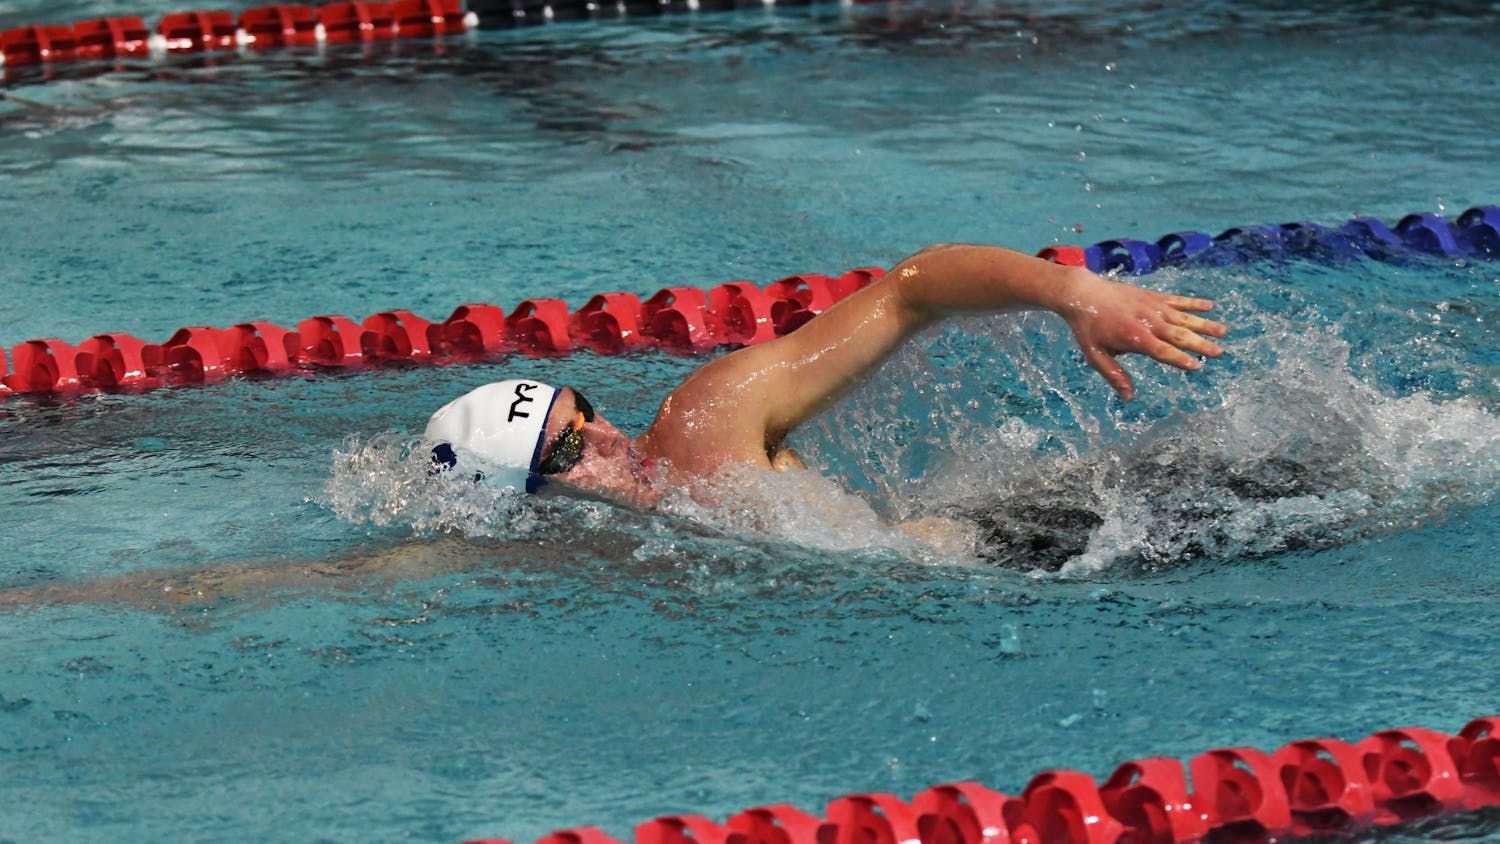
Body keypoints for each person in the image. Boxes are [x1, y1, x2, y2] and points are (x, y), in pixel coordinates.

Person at [426, 243, 1227, 511]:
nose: (609, 435)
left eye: (589, 412)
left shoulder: (708, 423)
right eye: (570, 449)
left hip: (1037, 541)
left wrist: (1076, 295)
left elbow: (913, 290)